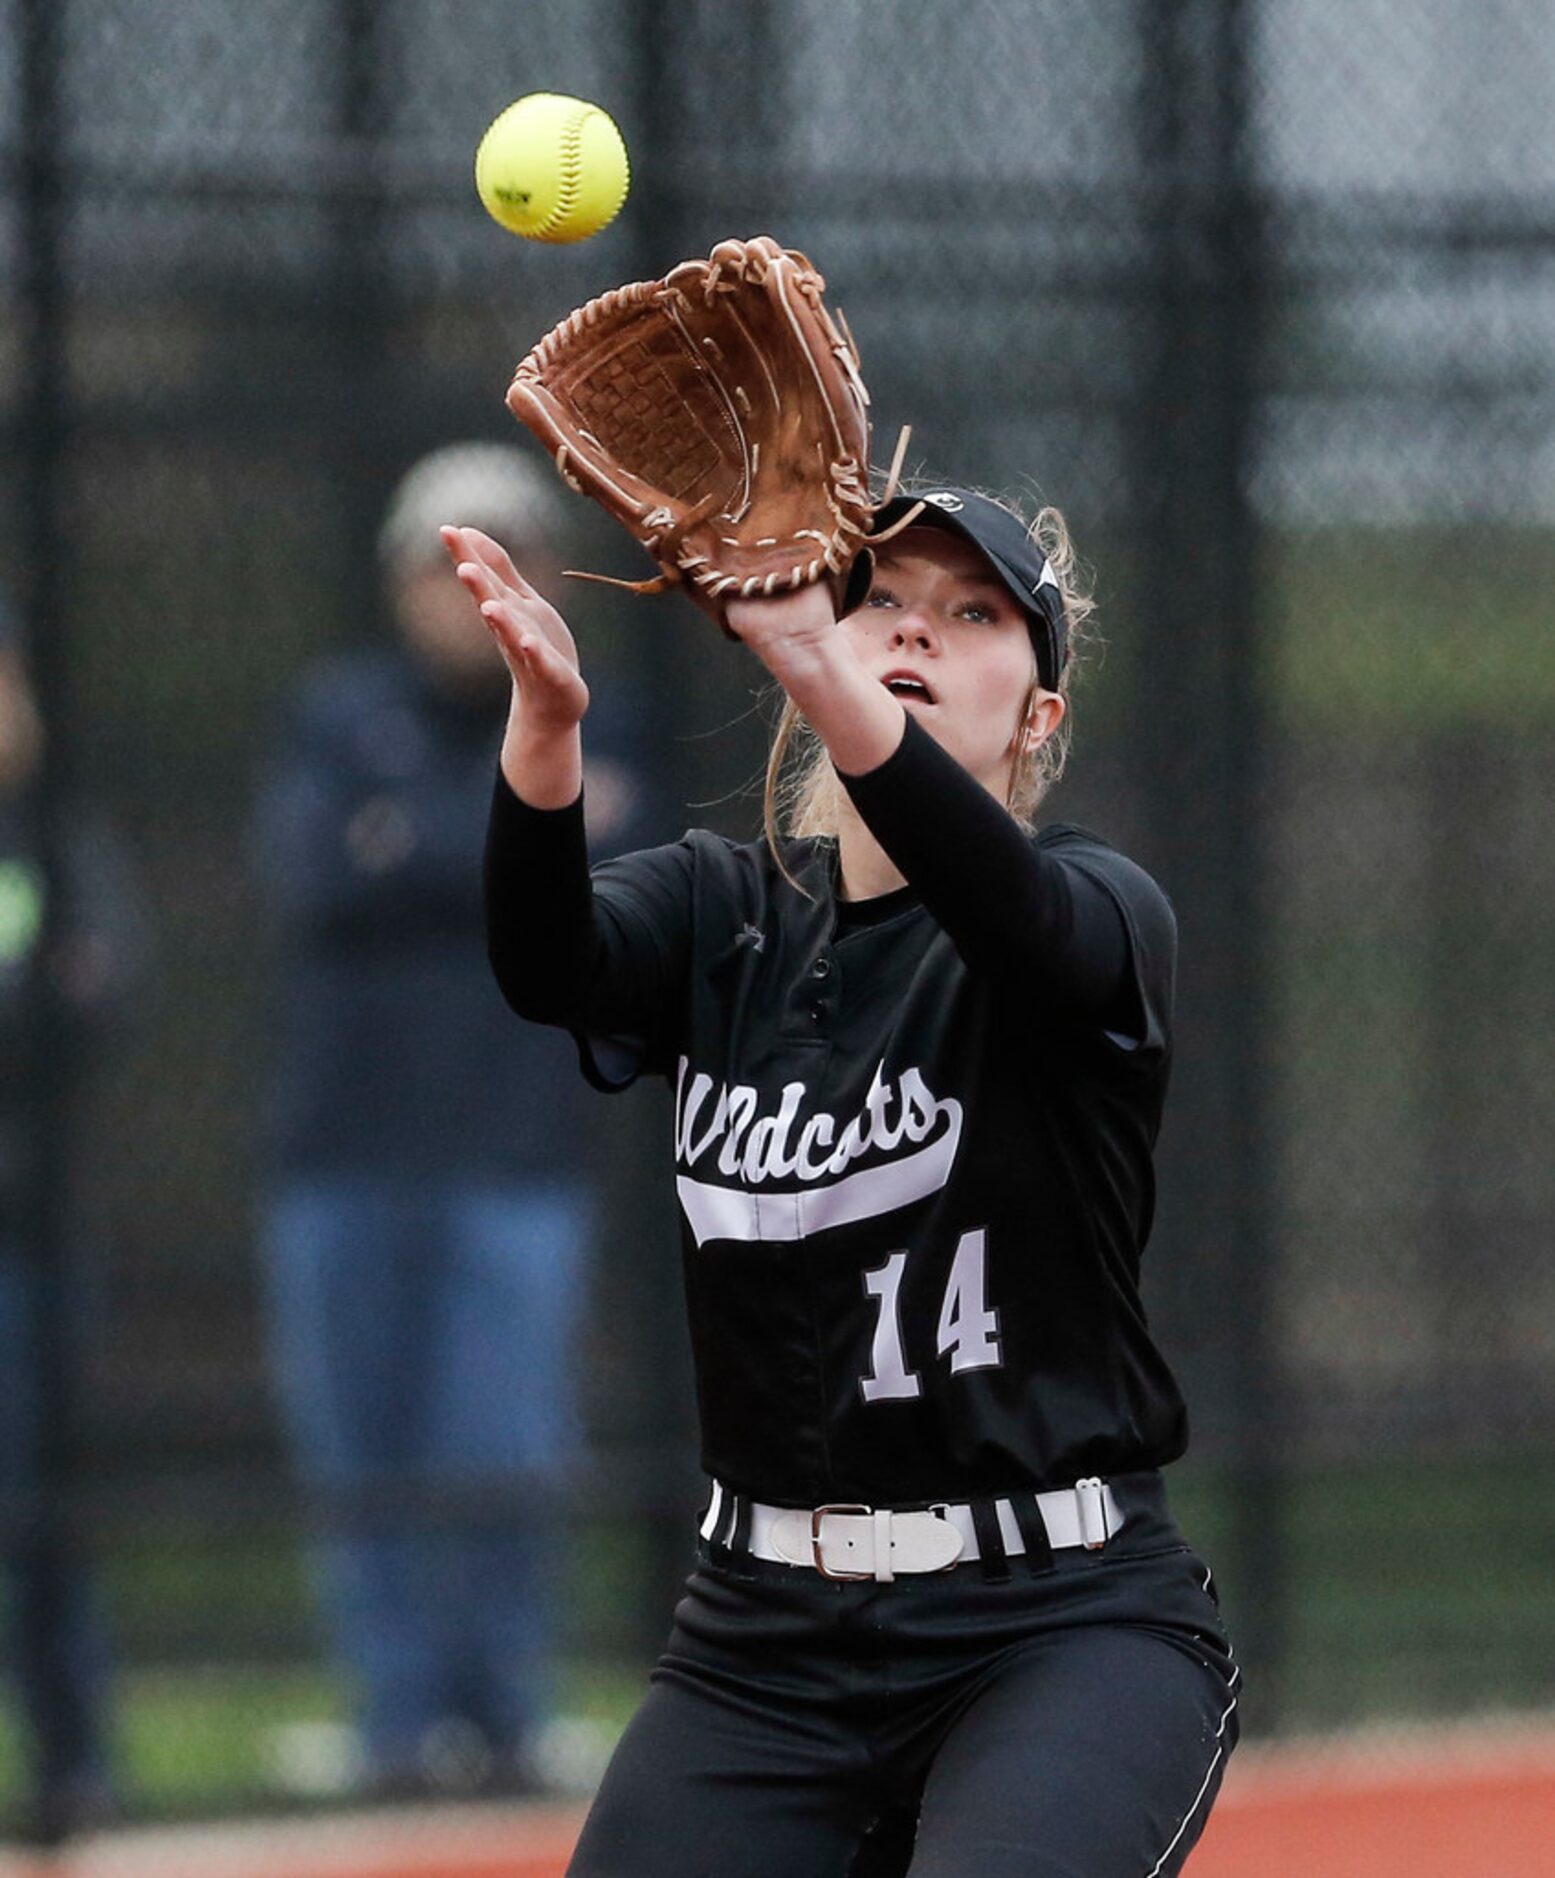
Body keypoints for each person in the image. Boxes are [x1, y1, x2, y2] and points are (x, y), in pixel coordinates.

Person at [449, 478, 1239, 1875]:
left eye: (971, 611)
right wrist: (546, 744)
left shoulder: (1101, 915)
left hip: (1055, 1621)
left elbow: (1007, 907)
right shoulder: (723, 911)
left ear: (1036, 715)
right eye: (880, 597)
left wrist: (820, 661)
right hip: (758, 1641)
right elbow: (545, 962)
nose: (913, 630)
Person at [257, 444, 646, 1800]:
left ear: (546, 576)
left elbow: (604, 860)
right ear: (397, 582)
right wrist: (507, 834)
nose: (470, 588)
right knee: (360, 1448)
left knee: (502, 1442)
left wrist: (412, 840)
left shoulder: (595, 710)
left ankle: (504, 1710)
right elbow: (316, 869)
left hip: (515, 1156)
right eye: (442, 562)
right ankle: (394, 1722)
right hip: (342, 1157)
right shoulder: (334, 715)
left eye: (506, 554)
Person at [0, 591, 142, 1844]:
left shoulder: (55, 839)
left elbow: (94, 995)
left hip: (29, 1243)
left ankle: (76, 1757)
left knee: (44, 1510)